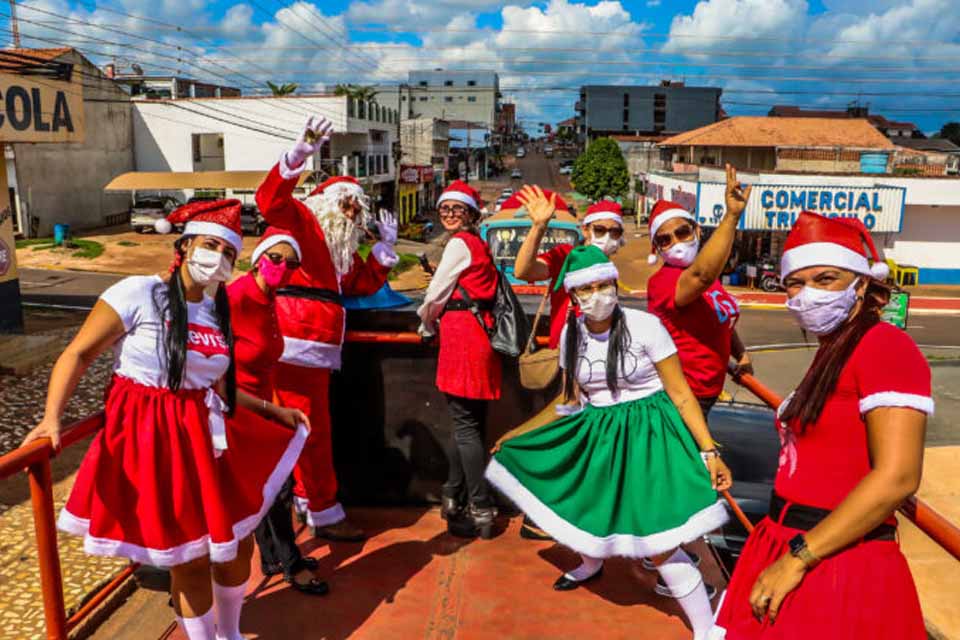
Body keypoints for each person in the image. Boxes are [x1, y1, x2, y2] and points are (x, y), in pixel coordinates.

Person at [22, 200, 309, 640]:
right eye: (211, 245)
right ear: (185, 244)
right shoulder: (138, 292)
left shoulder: (217, 310)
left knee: (236, 546)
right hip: (156, 440)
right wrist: (51, 417)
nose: (219, 258)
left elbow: (216, 386)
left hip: (208, 440)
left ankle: (229, 633)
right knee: (190, 557)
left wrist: (272, 411)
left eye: (229, 253)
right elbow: (78, 354)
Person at [487, 246, 732, 640]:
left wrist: (709, 451)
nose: (598, 294)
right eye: (587, 288)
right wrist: (518, 434)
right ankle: (591, 563)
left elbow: (682, 394)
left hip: (650, 437)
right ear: (575, 296)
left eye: (605, 285)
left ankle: (706, 630)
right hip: (599, 434)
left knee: (659, 539)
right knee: (583, 505)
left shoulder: (645, 326)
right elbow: (568, 401)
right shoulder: (571, 333)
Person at [713, 212, 932, 639]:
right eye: (796, 282)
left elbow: (898, 477)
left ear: (863, 284)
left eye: (826, 279)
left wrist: (797, 559)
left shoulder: (885, 346)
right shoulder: (834, 348)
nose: (807, 294)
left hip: (834, 556)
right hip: (794, 541)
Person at [255, 115, 399, 541]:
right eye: (348, 204)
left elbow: (361, 284)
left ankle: (305, 502)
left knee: (304, 430)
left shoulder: (341, 253)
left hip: (315, 350)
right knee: (307, 431)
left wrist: (384, 250)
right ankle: (321, 511)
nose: (355, 214)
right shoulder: (301, 222)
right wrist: (297, 155)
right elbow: (269, 203)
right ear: (327, 204)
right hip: (293, 343)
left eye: (359, 207)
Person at [510, 188, 624, 540]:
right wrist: (539, 226)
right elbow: (524, 269)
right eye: (599, 230)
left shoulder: (612, 269)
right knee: (562, 441)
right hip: (569, 368)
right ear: (586, 231)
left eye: (614, 232)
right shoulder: (566, 255)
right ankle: (541, 517)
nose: (606, 238)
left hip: (601, 369)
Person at [227, 228, 328, 597]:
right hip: (236, 411)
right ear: (258, 259)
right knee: (279, 486)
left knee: (269, 488)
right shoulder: (235, 298)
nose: (283, 268)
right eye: (276, 259)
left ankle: (274, 558)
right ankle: (292, 563)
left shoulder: (270, 299)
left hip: (263, 408)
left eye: (292, 264)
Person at [417, 180, 502, 539]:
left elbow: (436, 293)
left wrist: (425, 321)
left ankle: (480, 507)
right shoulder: (479, 244)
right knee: (470, 425)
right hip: (479, 334)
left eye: (457, 209)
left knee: (466, 427)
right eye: (445, 209)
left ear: (469, 213)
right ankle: (453, 495)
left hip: (461, 337)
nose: (450, 214)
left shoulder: (459, 244)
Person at [646, 164, 753, 422]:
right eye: (665, 239)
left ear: (697, 231)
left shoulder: (707, 277)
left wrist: (740, 353)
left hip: (707, 394)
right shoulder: (663, 282)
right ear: (657, 249)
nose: (676, 242)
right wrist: (731, 217)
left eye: (682, 232)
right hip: (682, 399)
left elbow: (720, 317)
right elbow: (701, 277)